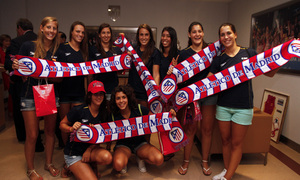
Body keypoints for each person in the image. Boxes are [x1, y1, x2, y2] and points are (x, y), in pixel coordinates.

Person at [12, 16, 61, 180]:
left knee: (49, 131)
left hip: (48, 93)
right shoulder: (28, 46)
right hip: (29, 94)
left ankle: (48, 163)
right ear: (41, 28)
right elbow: (17, 69)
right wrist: (16, 67)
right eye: (48, 27)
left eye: (54, 28)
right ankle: (31, 169)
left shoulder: (57, 50)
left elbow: (60, 77)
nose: (51, 31)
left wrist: (46, 73)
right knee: (32, 135)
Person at [209, 23, 259, 180]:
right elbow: (209, 81)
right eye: (222, 35)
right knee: (225, 141)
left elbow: (268, 71)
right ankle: (226, 169)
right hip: (223, 106)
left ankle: (227, 177)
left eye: (228, 33)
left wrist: (280, 60)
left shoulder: (248, 53)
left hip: (243, 107)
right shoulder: (219, 59)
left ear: (235, 34)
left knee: (236, 143)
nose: (226, 37)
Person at [175, 22, 217, 176]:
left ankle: (204, 161)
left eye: (200, 31)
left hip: (209, 95)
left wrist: (204, 85)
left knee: (206, 129)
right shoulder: (184, 53)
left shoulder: (211, 51)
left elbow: (215, 68)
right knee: (190, 129)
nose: (197, 34)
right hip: (192, 97)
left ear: (203, 33)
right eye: (194, 32)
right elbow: (179, 78)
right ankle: (186, 161)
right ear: (189, 34)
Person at [109, 85, 175, 174]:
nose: (121, 101)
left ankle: (140, 157)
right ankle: (125, 160)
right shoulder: (113, 114)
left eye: (124, 97)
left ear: (128, 98)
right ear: (114, 100)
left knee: (159, 159)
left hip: (140, 144)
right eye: (118, 98)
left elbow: (156, 119)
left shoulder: (139, 109)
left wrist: (169, 115)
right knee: (118, 165)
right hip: (123, 145)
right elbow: (104, 132)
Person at [60, 80, 112, 180]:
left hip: (90, 150)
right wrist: (71, 128)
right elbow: (61, 125)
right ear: (89, 96)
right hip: (74, 153)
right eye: (95, 94)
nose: (99, 97)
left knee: (107, 157)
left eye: (101, 94)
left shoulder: (104, 113)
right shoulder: (78, 110)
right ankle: (68, 166)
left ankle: (89, 163)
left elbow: (102, 137)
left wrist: (89, 149)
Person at [4, 19, 41, 146]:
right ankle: (38, 142)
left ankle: (24, 138)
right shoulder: (40, 40)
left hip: (23, 86)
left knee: (22, 115)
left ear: (19, 28)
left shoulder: (16, 42)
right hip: (42, 87)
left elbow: (9, 63)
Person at [58, 21, 89, 146]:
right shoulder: (62, 48)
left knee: (78, 124)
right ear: (71, 32)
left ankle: (76, 150)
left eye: (82, 32)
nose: (80, 34)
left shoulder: (84, 51)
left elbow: (87, 75)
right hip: (64, 93)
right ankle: (67, 152)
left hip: (79, 93)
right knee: (65, 124)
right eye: (77, 31)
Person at [127, 24, 161, 108]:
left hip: (145, 94)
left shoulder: (155, 52)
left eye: (146, 34)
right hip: (132, 93)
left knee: (145, 119)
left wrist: (155, 93)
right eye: (141, 34)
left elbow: (156, 74)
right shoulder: (133, 50)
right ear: (138, 36)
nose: (144, 37)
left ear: (150, 36)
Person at [89, 23, 122, 101]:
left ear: (111, 34)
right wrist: (89, 88)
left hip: (113, 88)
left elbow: (120, 71)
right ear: (99, 35)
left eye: (108, 33)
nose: (106, 35)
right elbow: (89, 71)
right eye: (103, 33)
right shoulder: (93, 49)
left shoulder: (117, 50)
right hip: (97, 89)